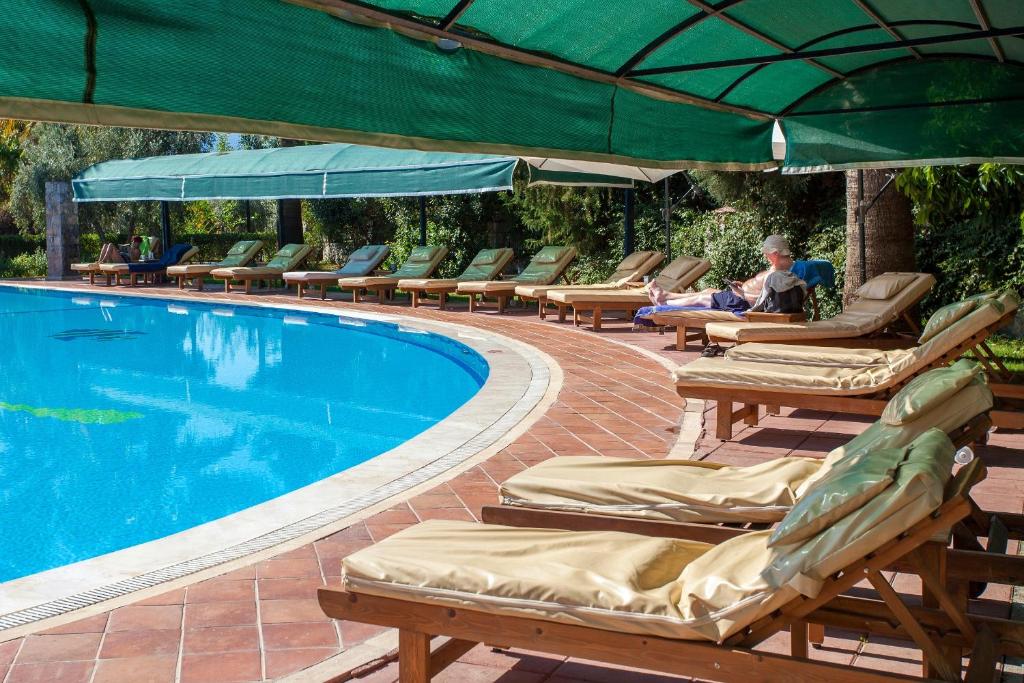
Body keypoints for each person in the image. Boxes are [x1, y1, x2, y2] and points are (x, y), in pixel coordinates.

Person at [647, 235, 800, 311]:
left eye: (766, 253)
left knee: (703, 298)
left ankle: (665, 303)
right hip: (740, 297)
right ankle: (666, 295)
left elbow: (764, 300)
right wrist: (743, 286)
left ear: (774, 253)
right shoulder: (783, 268)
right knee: (708, 291)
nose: (764, 256)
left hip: (741, 302)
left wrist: (742, 293)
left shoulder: (777, 273)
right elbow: (765, 291)